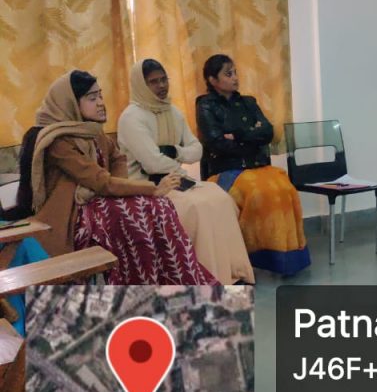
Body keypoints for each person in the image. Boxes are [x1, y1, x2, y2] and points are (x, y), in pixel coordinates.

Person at [22, 70, 218, 285]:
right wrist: (152, 188)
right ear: (71, 104)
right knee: (132, 214)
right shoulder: (58, 142)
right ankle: (137, 284)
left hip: (99, 201)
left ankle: (173, 280)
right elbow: (100, 181)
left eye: (100, 95)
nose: (101, 103)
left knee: (159, 206)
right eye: (92, 98)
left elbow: (118, 159)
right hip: (72, 216)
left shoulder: (92, 132)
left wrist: (119, 191)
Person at [117, 59, 255, 285]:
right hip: (146, 187)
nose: (162, 86)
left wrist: (175, 151)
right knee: (197, 207)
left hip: (175, 179)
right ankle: (202, 277)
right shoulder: (131, 117)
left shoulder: (173, 111)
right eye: (154, 82)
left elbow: (197, 150)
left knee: (220, 198)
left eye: (164, 79)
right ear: (141, 85)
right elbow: (152, 163)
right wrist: (179, 167)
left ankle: (231, 271)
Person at [196, 54, 311, 276]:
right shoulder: (206, 105)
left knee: (285, 189)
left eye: (235, 72)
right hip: (227, 169)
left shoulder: (248, 102)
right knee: (259, 194)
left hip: (257, 166)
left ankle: (286, 258)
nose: (235, 77)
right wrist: (251, 139)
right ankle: (253, 255)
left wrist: (238, 135)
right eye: (228, 74)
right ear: (213, 80)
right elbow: (216, 143)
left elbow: (268, 132)